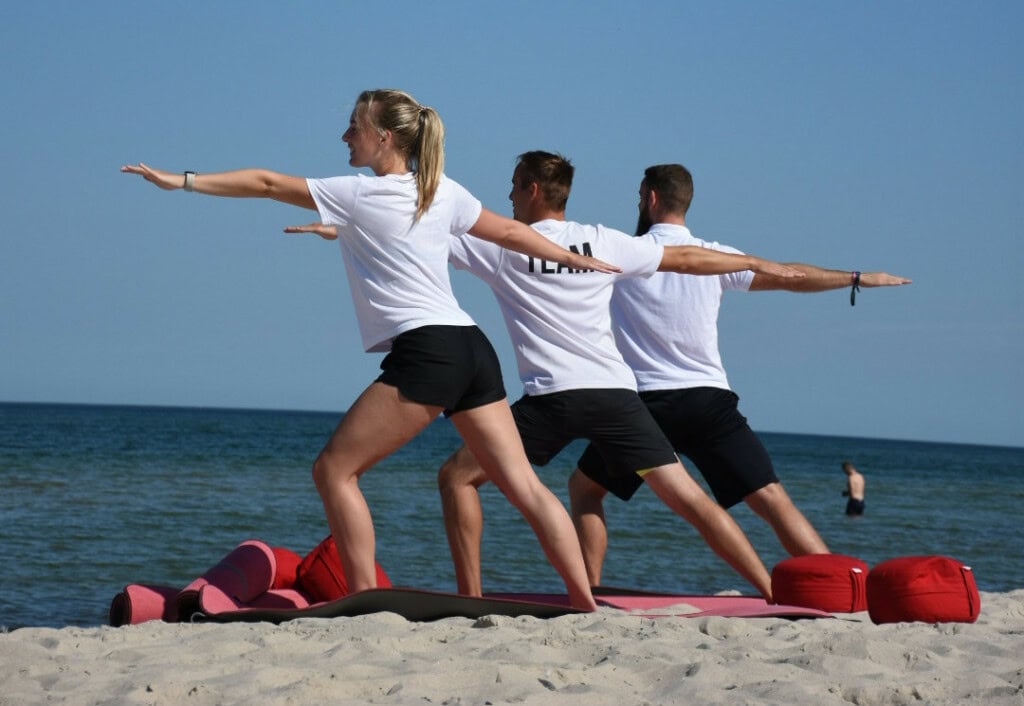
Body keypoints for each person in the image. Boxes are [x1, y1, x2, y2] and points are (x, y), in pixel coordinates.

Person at [121, 89, 631, 611]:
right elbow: (508, 232)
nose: (345, 137)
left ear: (383, 137)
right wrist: (573, 258)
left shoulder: (359, 193)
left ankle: (363, 603)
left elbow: (268, 183)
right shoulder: (439, 190)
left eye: (353, 127)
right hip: (471, 348)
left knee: (334, 471)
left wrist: (181, 180)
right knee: (524, 484)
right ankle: (583, 606)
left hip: (429, 350)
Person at [431, 150, 808, 601]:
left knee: (457, 477)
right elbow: (687, 259)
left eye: (514, 184)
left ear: (533, 189)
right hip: (616, 399)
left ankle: (470, 599)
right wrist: (753, 261)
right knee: (690, 501)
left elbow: (419, 235)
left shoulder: (501, 245)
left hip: (552, 401)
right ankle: (769, 591)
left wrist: (348, 226)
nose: (509, 194)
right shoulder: (602, 240)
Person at [569, 163, 909, 585]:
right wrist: (855, 278)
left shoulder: (624, 255)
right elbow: (791, 277)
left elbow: (557, 263)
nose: (638, 203)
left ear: (652, 198)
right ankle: (842, 586)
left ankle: (587, 592)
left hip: (645, 409)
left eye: (640, 196)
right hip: (708, 402)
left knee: (585, 490)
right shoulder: (717, 258)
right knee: (771, 499)